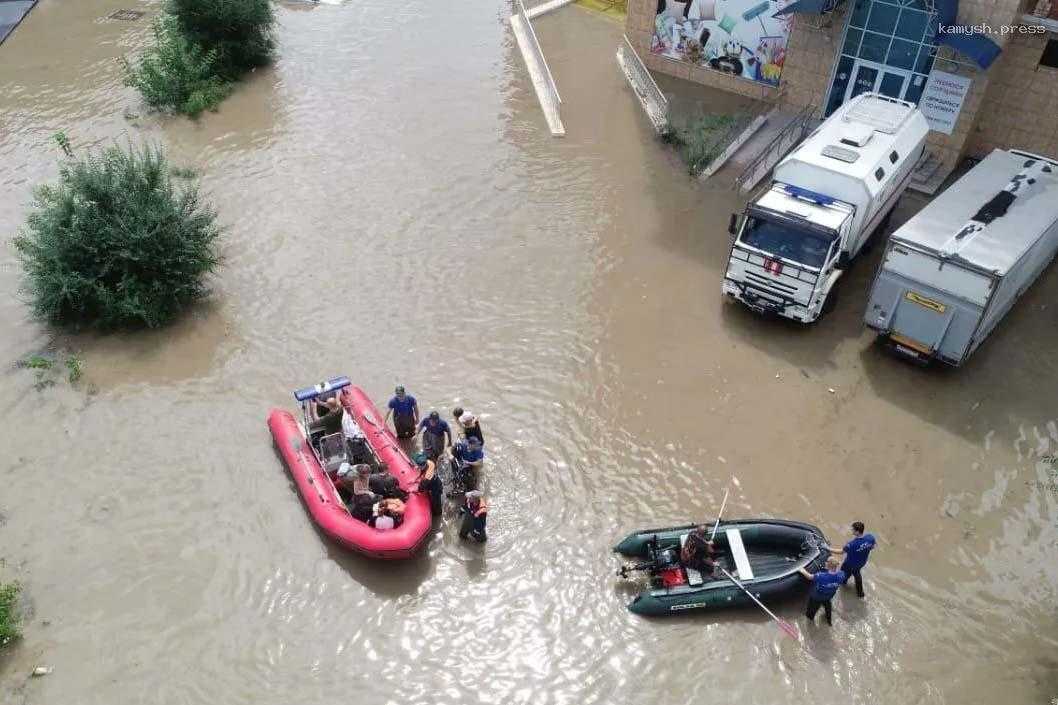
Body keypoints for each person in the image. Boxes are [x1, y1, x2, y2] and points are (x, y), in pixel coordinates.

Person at [828, 521, 876, 598]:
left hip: (849, 564)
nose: (851, 530)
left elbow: (841, 552)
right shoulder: (870, 537)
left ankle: (843, 585)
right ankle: (860, 594)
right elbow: (873, 547)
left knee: (844, 575)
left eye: (852, 529)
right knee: (857, 573)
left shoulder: (852, 544)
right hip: (862, 563)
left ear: (857, 532)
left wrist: (828, 549)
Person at [799, 557, 846, 626]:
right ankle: (829, 621)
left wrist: (802, 570)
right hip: (829, 595)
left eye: (826, 562)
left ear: (828, 565)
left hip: (817, 596)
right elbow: (835, 574)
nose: (825, 562)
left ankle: (809, 619)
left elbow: (809, 577)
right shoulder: (842, 574)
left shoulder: (821, 576)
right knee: (827, 604)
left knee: (811, 611)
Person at [413, 452, 443, 516]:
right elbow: (422, 472)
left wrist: (417, 490)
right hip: (434, 482)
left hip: (435, 487)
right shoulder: (429, 462)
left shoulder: (427, 476)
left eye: (419, 466)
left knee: (436, 501)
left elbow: (422, 486)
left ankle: (438, 513)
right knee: (435, 499)